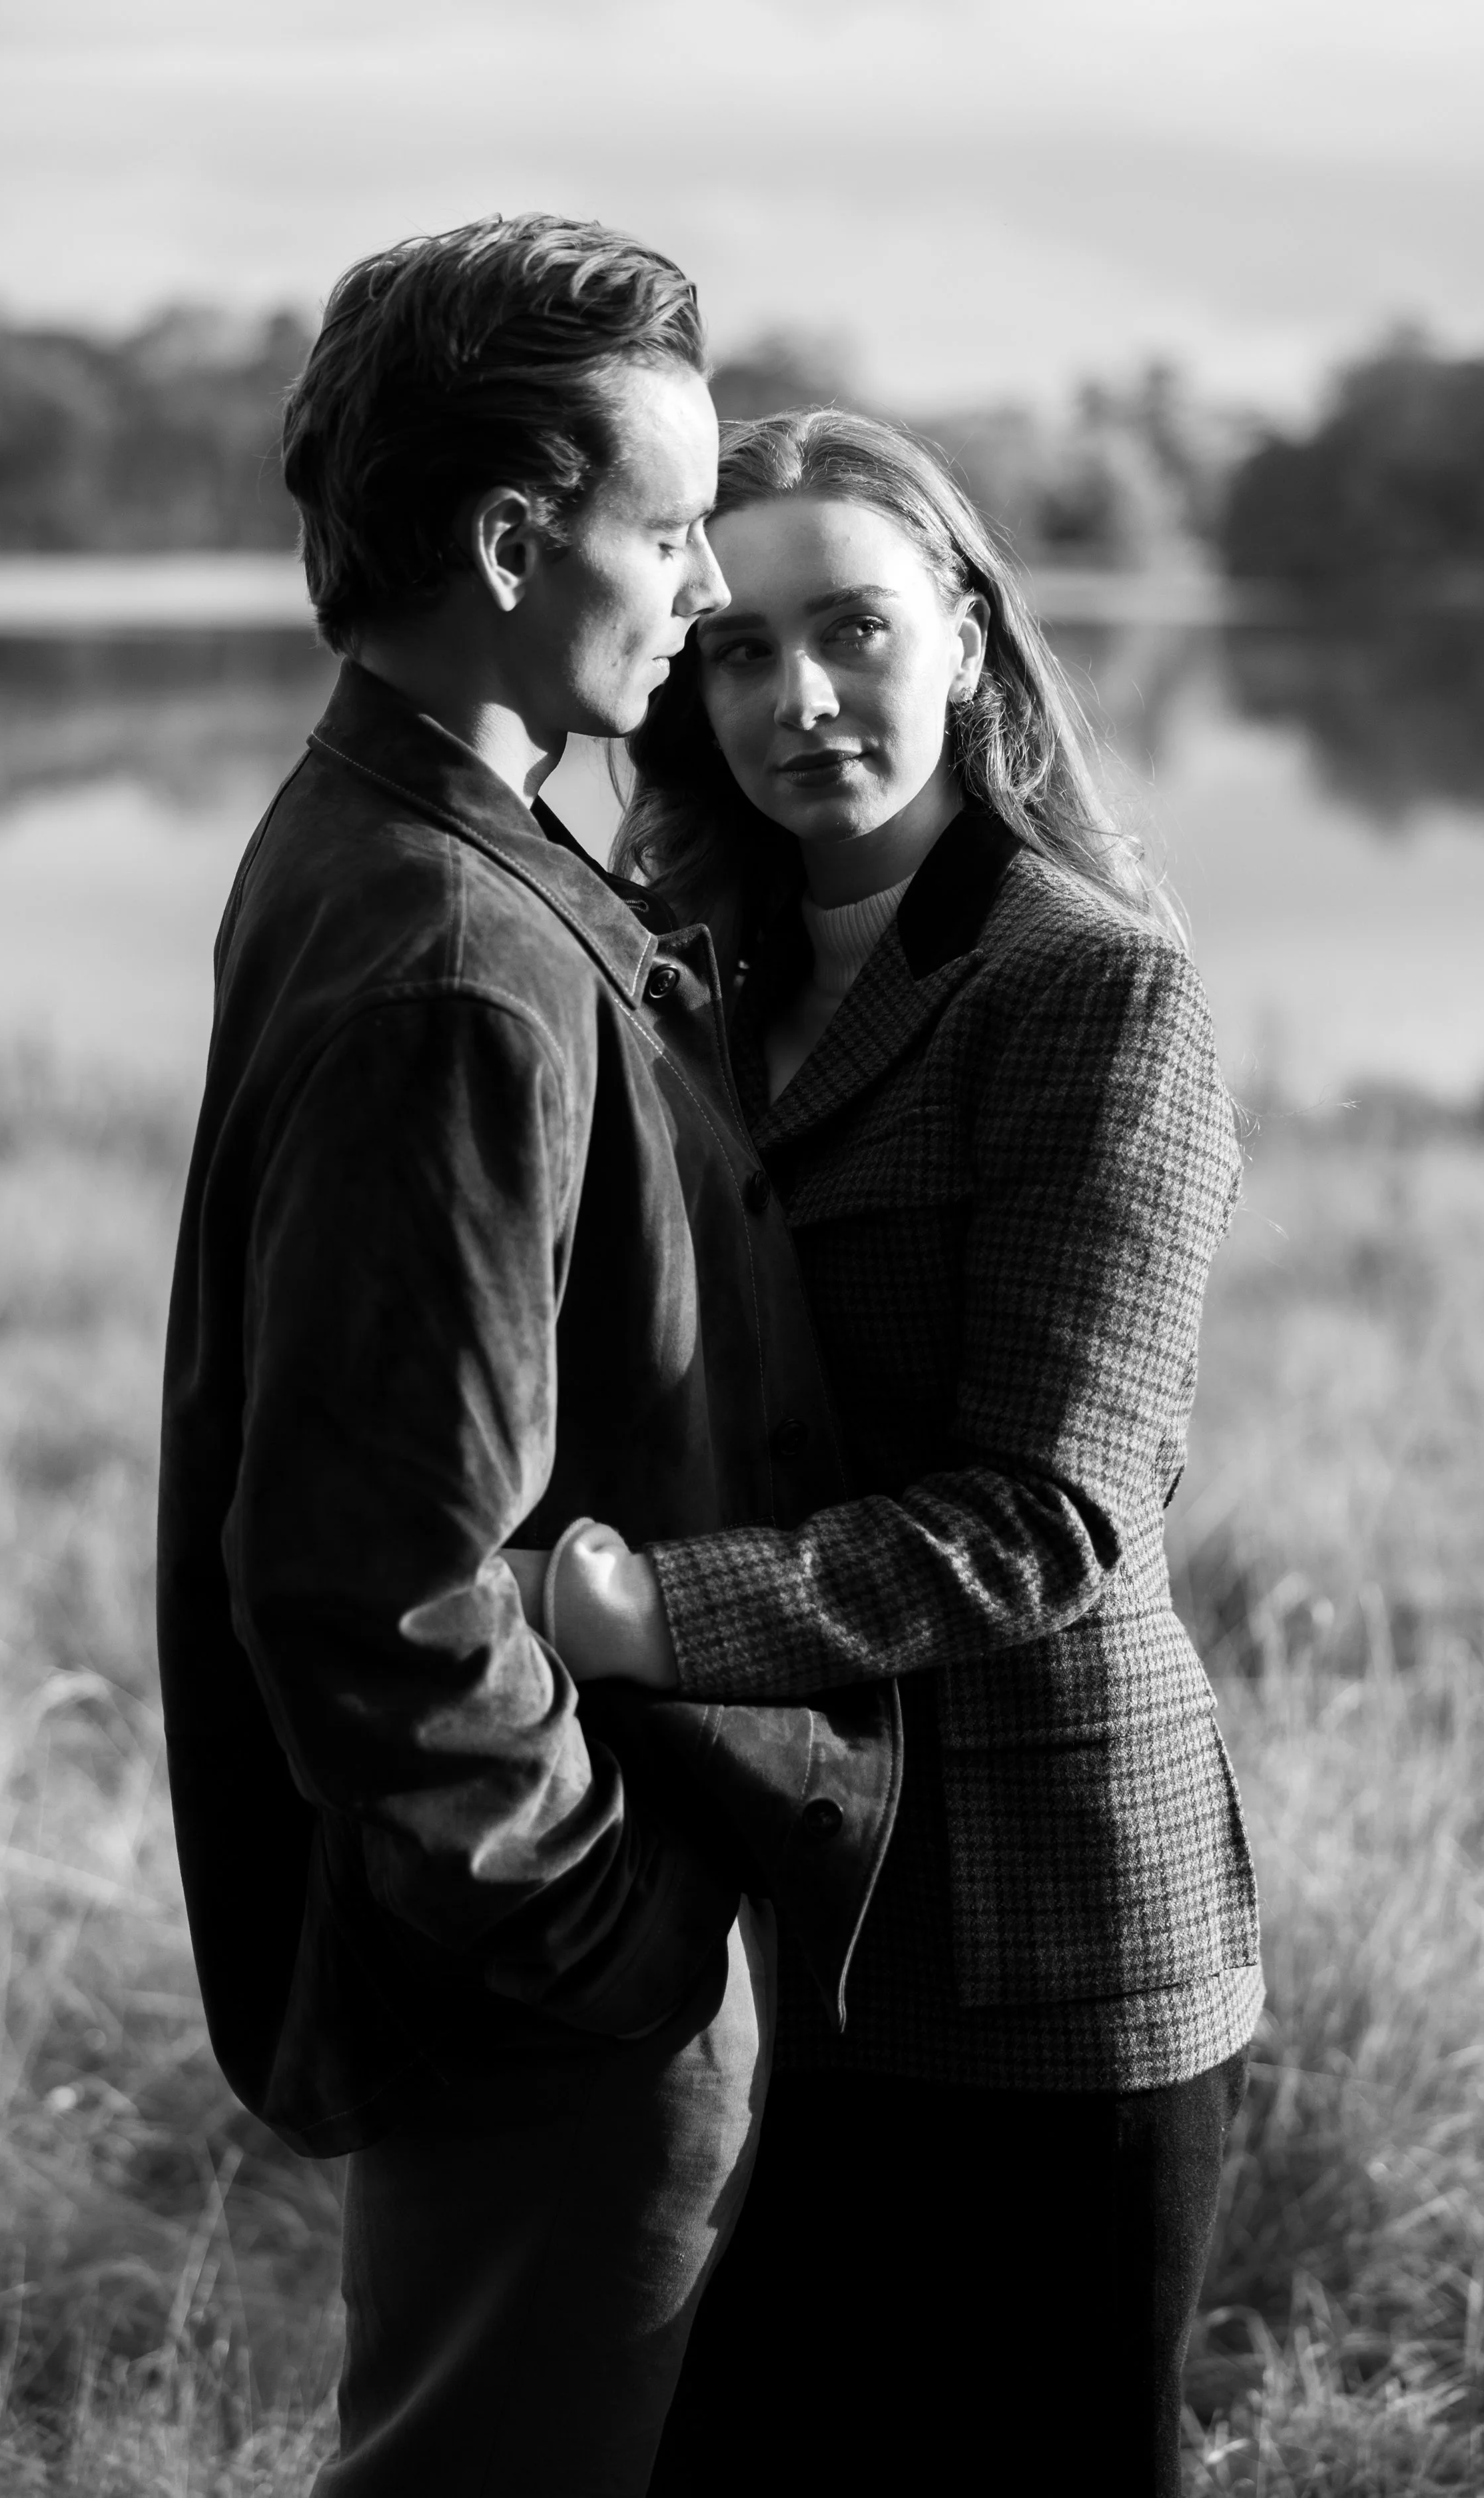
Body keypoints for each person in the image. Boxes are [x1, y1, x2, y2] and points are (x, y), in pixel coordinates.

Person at [155, 225, 900, 2498]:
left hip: (532, 1957)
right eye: (667, 530)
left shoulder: (395, 830)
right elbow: (372, 1578)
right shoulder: (455, 955)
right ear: (508, 539)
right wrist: (600, 1929)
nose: (695, 588)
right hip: (550, 1977)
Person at [508, 408, 1263, 2497]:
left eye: (851, 627)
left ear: (972, 639)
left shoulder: (1088, 991)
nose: (796, 696)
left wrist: (651, 1607)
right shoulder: (690, 979)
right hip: (788, 1904)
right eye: (736, 647)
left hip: (1049, 1927)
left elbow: (1054, 1509)